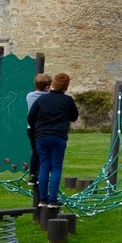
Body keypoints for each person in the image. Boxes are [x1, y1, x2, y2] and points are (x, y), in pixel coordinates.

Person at [27, 72, 79, 208]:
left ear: (53, 85)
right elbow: (74, 117)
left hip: (42, 136)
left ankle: (42, 199)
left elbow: (31, 117)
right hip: (58, 136)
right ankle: (53, 199)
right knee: (56, 167)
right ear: (66, 87)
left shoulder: (42, 100)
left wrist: (38, 128)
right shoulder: (68, 100)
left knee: (44, 166)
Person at [26, 73, 52, 202]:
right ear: (47, 87)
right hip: (42, 128)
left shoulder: (29, 95)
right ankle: (42, 175)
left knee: (34, 151)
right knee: (44, 153)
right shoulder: (48, 97)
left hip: (31, 128)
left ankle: (32, 174)